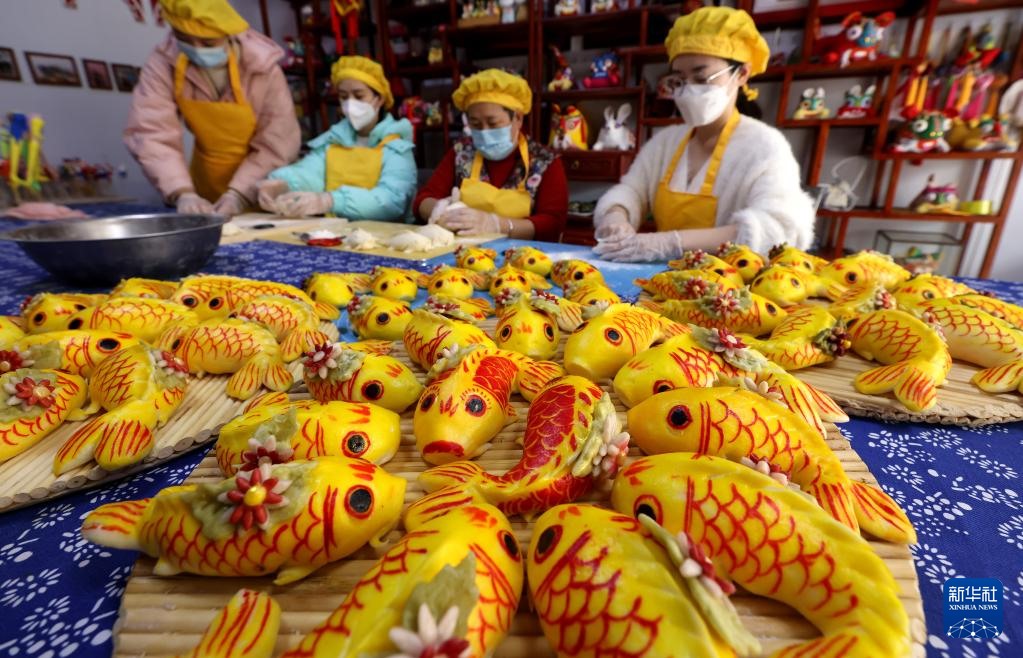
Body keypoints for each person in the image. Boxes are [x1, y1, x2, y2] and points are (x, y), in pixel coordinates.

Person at [593, 6, 815, 262]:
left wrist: (671, 243)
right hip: (664, 277)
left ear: (741, 74)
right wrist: (616, 216)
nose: (688, 90)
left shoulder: (765, 146)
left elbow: (778, 229)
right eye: (679, 80)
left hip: (732, 281)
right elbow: (632, 190)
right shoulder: (665, 143)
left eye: (701, 78)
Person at [124, 0, 301, 216]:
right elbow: (151, 131)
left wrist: (239, 194)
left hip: (262, 182)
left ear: (228, 34)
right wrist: (182, 192)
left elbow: (278, 141)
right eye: (184, 39)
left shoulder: (263, 68)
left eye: (208, 43)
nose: (197, 49)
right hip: (202, 184)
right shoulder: (163, 62)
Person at [414, 69, 567, 241]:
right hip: (464, 251)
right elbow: (422, 200)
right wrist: (438, 209)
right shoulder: (461, 153)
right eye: (475, 124)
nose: (484, 132)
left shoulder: (545, 161)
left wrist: (499, 225)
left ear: (517, 118)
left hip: (523, 254)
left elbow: (553, 224)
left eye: (493, 123)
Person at [256, 56, 416, 220]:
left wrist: (331, 201)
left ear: (379, 99)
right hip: (335, 231)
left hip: (384, 234)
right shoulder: (334, 141)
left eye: (359, 96)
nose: (350, 104)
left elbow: (391, 202)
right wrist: (283, 184)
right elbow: (310, 173)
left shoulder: (396, 148)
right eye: (344, 97)